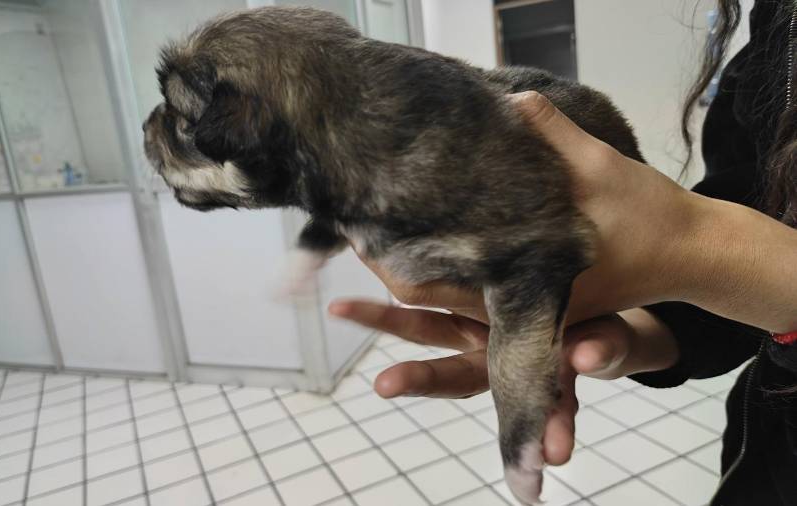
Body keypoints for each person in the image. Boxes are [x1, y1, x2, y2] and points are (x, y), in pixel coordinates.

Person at [328, 1, 797, 504]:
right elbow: (754, 206)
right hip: (763, 450)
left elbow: (732, 247)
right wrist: (652, 327)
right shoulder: (775, 22)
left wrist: (690, 249)